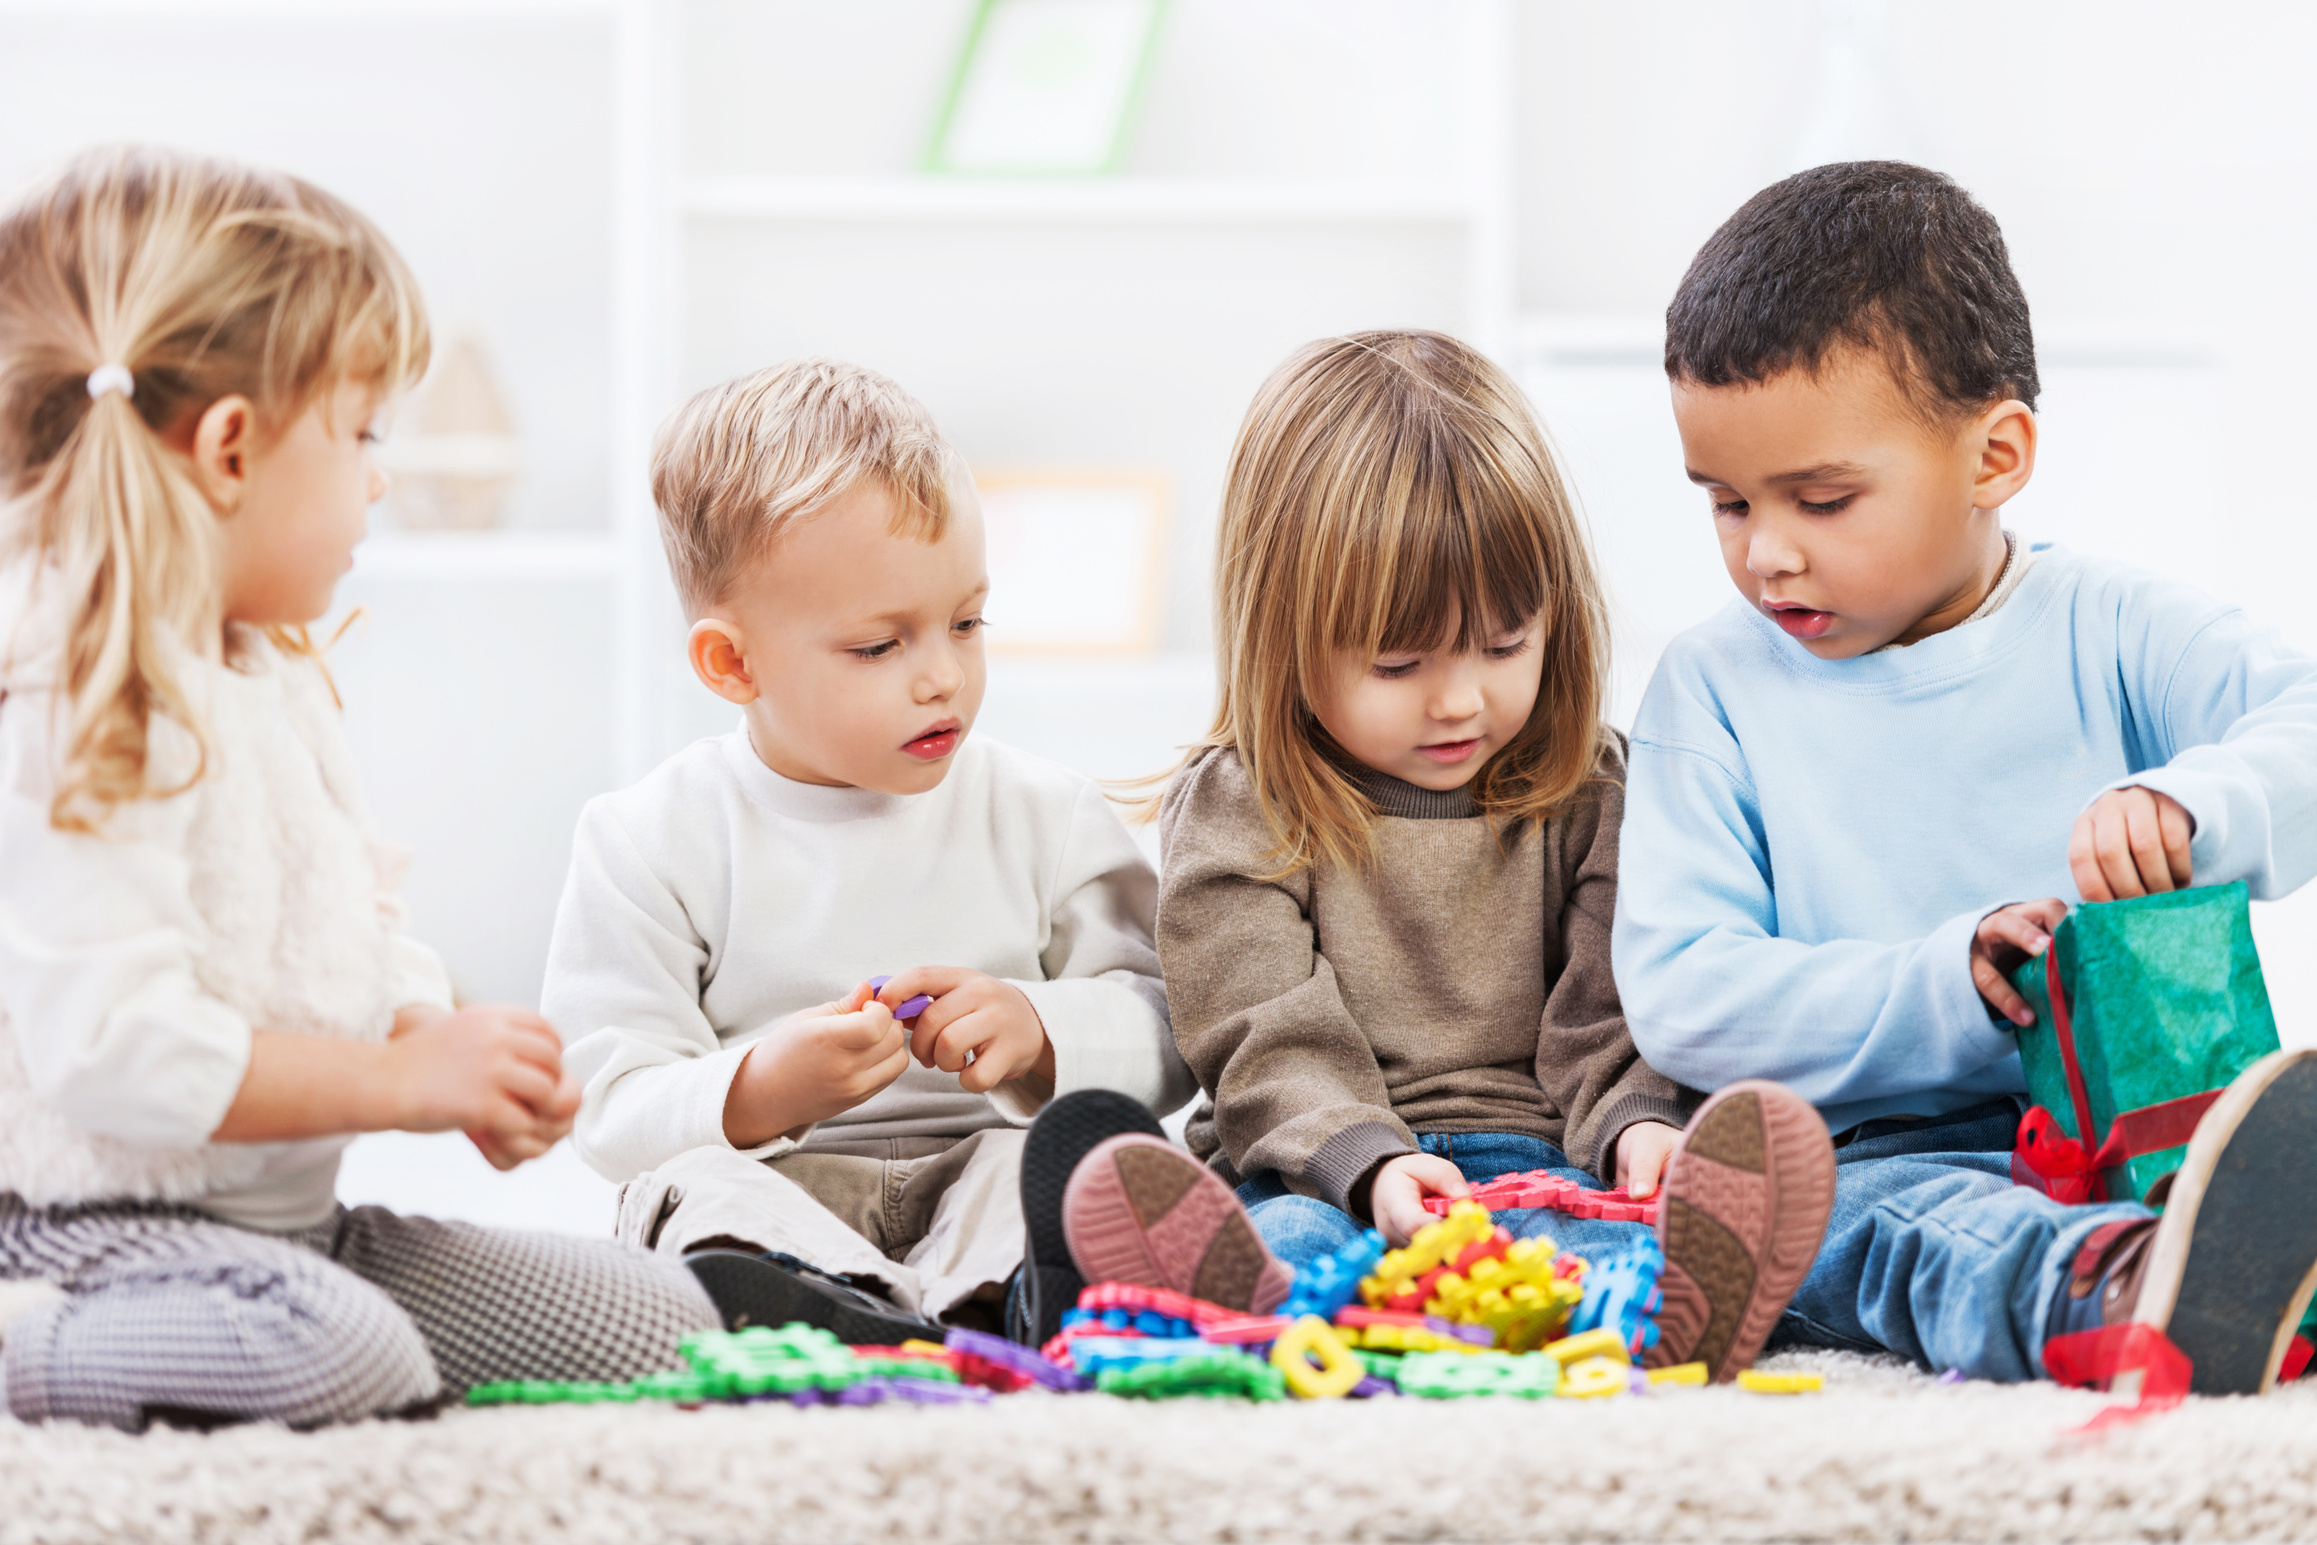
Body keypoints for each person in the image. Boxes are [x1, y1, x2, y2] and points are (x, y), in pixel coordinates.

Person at [0, 146, 719, 1431]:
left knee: (662, 1323)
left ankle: (283, 1321)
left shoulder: (260, 665)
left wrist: (438, 1046)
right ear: (229, 449)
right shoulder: (82, 695)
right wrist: (398, 1086)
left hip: (287, 1230)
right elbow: (111, 1050)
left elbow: (342, 921)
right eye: (362, 432)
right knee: (337, 1362)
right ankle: (32, 1352)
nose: (382, 476)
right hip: (86, 1240)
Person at [1615, 160, 2317, 1393]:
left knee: (2228, 1157)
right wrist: (1942, 981)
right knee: (1876, 1235)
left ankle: (2230, 1261)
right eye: (1725, 503)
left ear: (1994, 455)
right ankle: (2121, 1287)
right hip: (1869, 1149)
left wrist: (2196, 805)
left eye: (1822, 499)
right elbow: (1682, 991)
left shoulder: (2115, 626)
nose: (1766, 553)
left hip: (2139, 1118)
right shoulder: (1711, 688)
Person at [542, 360, 1194, 1347]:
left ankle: (1008, 1294)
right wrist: (760, 1087)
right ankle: (833, 1311)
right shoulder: (647, 840)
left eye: (966, 624)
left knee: (1079, 1160)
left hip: (979, 1178)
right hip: (774, 1198)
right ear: (733, 663)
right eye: (878, 647)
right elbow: (608, 1106)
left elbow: (1173, 1030)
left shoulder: (1043, 814)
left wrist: (1042, 1026)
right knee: (692, 1191)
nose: (943, 676)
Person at [1154, 330, 1747, 1320]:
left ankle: (1667, 1309)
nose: (1459, 702)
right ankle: (1218, 1305)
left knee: (1592, 1261)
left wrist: (1637, 1124)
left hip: (1536, 1155)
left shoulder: (1593, 787)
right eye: (1399, 666)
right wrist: (1370, 1162)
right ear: (1281, 636)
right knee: (1287, 1255)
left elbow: (1617, 1002)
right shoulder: (1238, 803)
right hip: (1314, 1163)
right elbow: (1260, 1030)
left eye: (1503, 644)